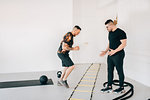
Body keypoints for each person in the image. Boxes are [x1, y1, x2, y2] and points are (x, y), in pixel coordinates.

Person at [100, 19, 127, 93]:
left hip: (118, 54)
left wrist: (114, 51)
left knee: (119, 70)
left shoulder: (121, 32)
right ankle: (109, 87)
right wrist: (106, 51)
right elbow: (110, 43)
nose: (106, 29)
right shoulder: (110, 33)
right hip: (110, 53)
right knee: (109, 70)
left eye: (107, 27)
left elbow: (124, 44)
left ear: (111, 25)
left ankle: (121, 87)